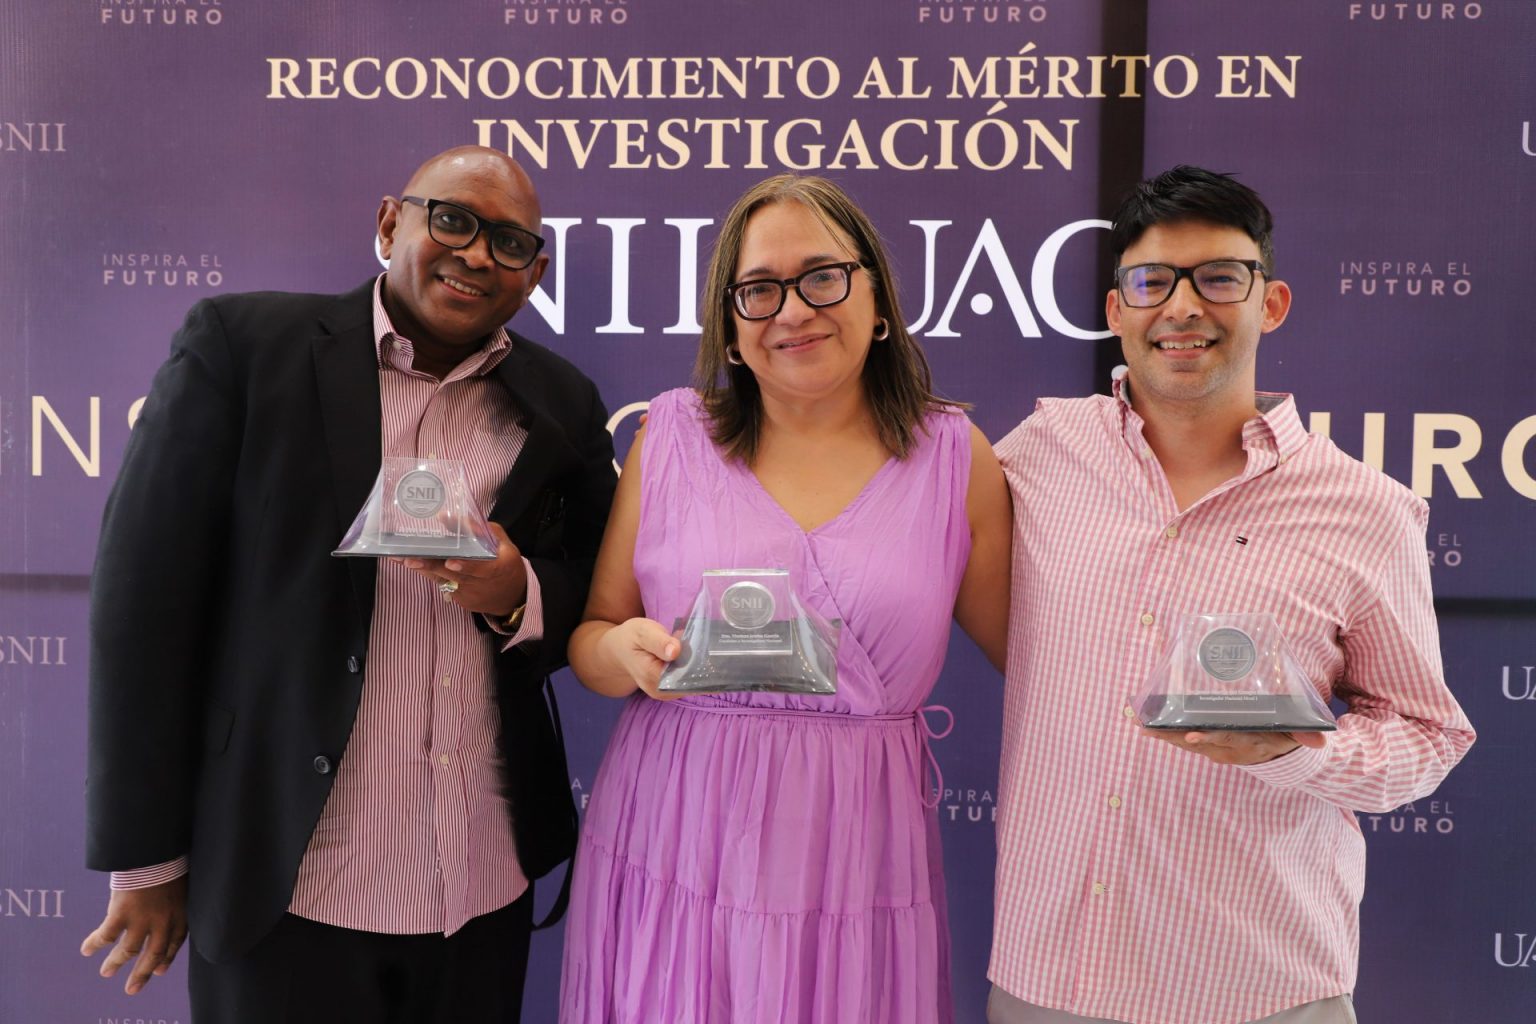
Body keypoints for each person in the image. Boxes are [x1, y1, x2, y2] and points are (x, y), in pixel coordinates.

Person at [79, 146, 616, 1022]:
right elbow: (144, 605)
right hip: (286, 880)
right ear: (390, 224)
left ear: (535, 274)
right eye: (452, 220)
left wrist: (522, 592)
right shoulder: (244, 349)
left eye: (510, 243)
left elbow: (604, 588)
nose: (477, 254)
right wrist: (146, 860)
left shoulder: (563, 400)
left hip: (479, 886)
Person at [988, 166, 1476, 1024]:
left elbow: (1429, 736)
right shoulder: (1039, 453)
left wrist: (1298, 751)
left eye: (1219, 278)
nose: (1183, 307)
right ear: (1116, 311)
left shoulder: (1367, 510)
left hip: (1261, 990)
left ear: (1270, 303)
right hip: (1049, 979)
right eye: (1153, 282)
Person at [557, 174, 1013, 1023]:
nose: (793, 310)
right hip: (678, 833)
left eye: (822, 277)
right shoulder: (672, 437)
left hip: (856, 850)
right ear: (731, 328)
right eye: (760, 289)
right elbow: (593, 637)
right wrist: (619, 652)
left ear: (878, 300)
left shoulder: (958, 458)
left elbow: (1038, 663)